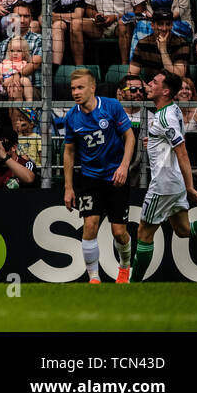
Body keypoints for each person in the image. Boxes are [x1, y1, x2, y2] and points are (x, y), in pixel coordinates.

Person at [132, 70, 197, 280]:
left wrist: (190, 187)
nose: (149, 84)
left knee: (144, 233)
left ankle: (130, 285)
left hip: (163, 184)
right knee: (184, 229)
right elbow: (168, 141)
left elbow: (182, 152)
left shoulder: (164, 117)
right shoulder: (174, 109)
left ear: (166, 90)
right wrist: (154, 142)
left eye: (155, 82)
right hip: (173, 182)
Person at [64, 69, 137, 283]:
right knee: (90, 225)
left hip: (116, 177)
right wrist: (69, 188)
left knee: (119, 232)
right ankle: (94, 278)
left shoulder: (111, 106)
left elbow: (130, 137)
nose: (75, 92)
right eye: (73, 89)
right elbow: (69, 152)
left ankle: (124, 267)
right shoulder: (71, 117)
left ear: (92, 88)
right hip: (89, 179)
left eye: (80, 88)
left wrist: (124, 166)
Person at [129, 10, 191, 80]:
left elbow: (178, 77)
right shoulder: (142, 43)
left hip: (176, 87)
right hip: (152, 87)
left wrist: (163, 50)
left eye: (168, 24)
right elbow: (132, 75)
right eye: (160, 24)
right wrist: (146, 86)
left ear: (172, 25)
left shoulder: (182, 44)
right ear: (152, 25)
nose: (164, 28)